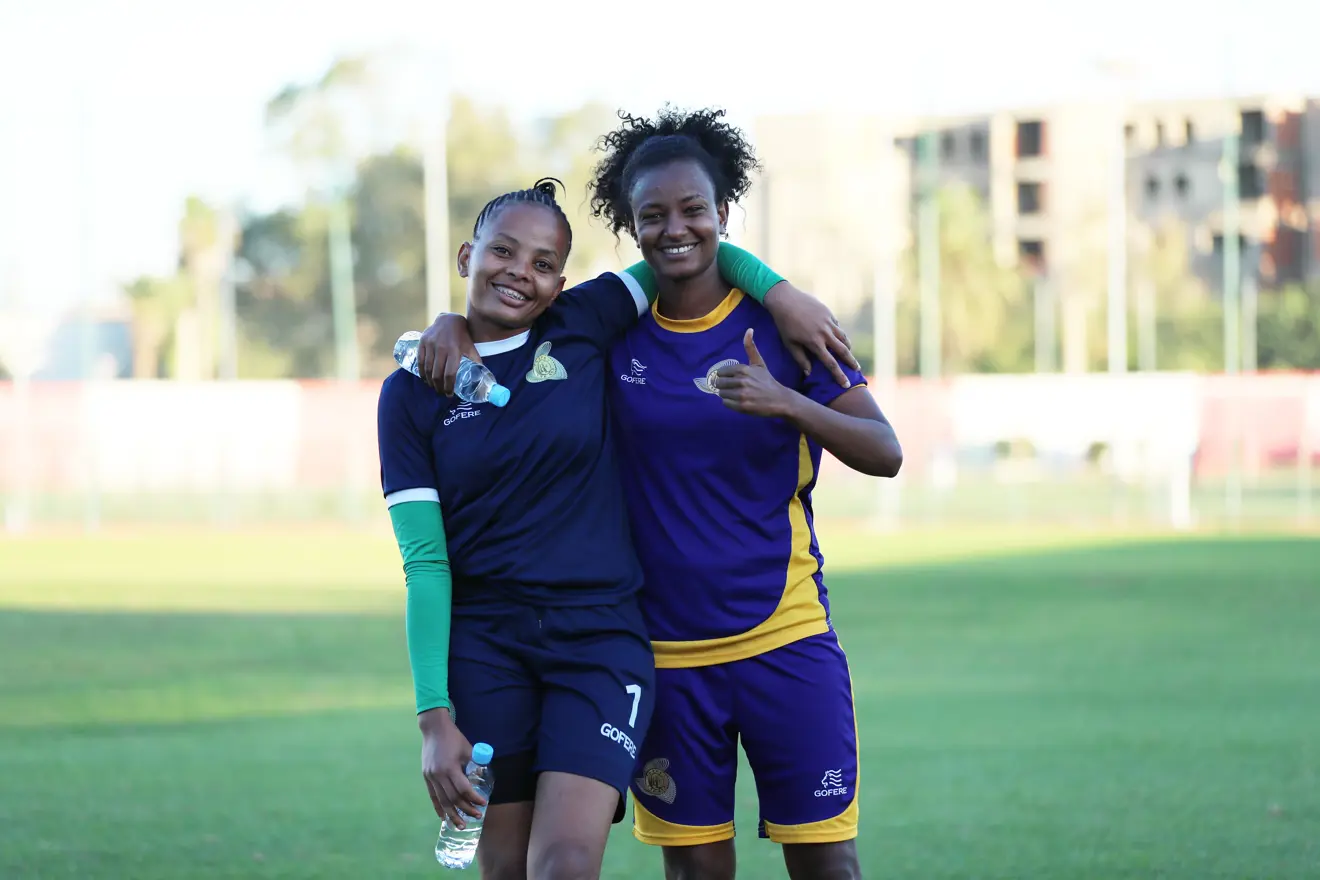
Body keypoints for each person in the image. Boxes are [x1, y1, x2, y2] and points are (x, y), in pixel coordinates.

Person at [379, 178, 850, 880]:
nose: (520, 271)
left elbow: (684, 247)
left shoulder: (581, 324)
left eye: (543, 263)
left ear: (560, 282)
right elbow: (424, 562)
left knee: (565, 864)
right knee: (507, 870)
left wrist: (780, 292)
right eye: (503, 251)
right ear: (464, 255)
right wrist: (432, 720)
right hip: (486, 650)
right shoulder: (412, 390)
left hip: (599, 641)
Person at [585, 107, 903, 880]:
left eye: (694, 209)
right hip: (665, 661)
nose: (676, 229)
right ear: (631, 228)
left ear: (724, 212)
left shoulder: (785, 323)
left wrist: (787, 402)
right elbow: (515, 319)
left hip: (786, 641)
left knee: (828, 864)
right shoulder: (610, 332)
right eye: (652, 215)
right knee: (697, 873)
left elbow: (886, 451)